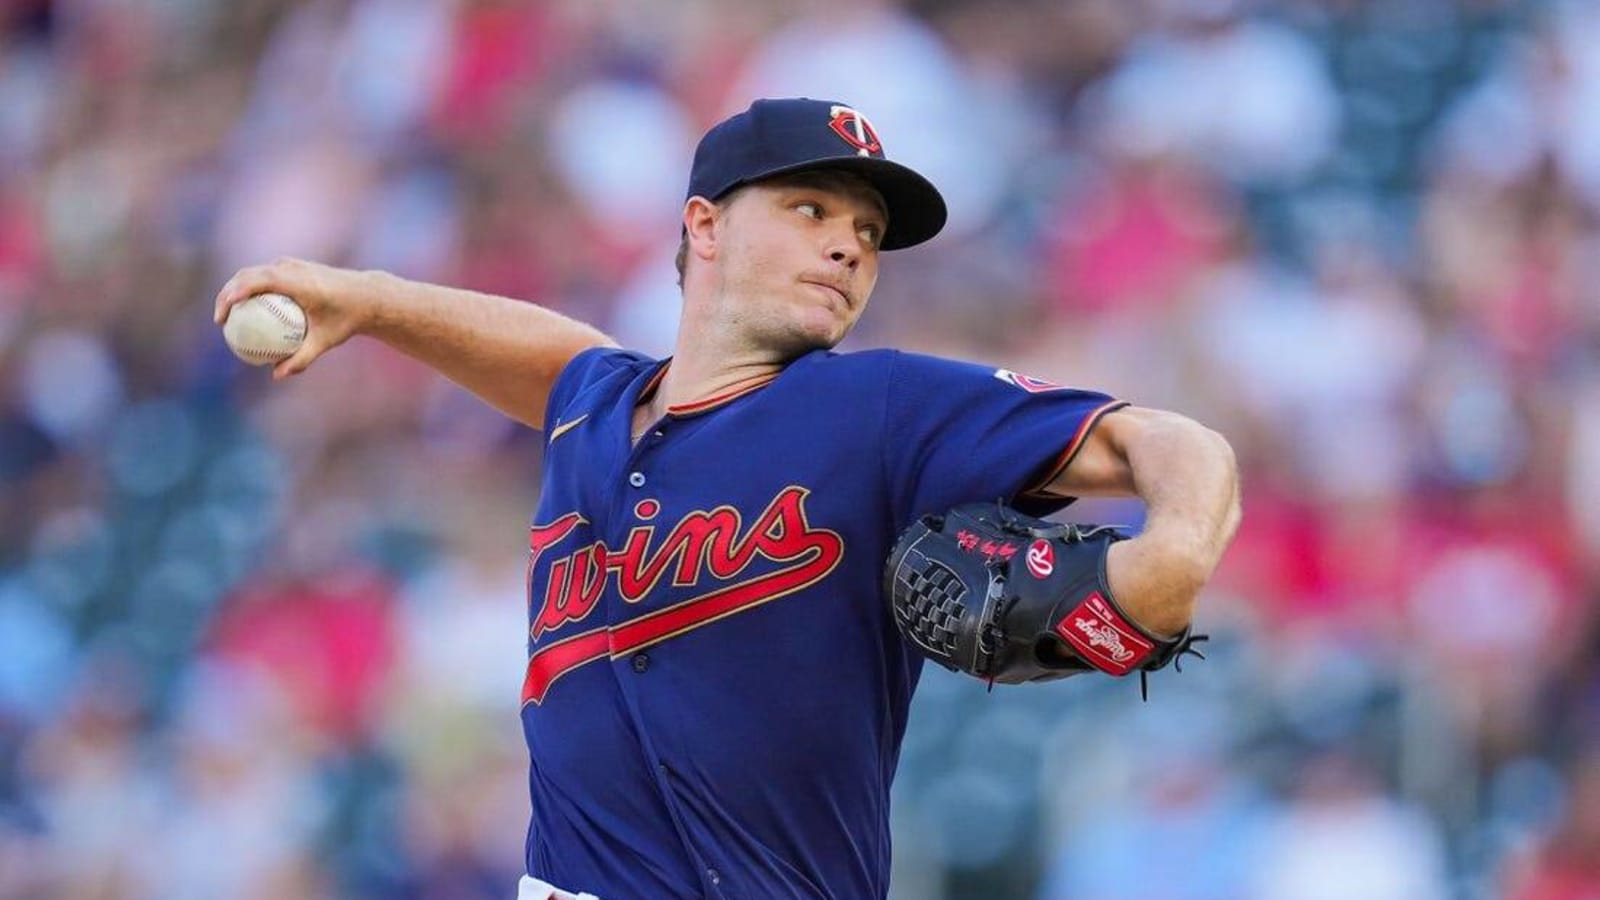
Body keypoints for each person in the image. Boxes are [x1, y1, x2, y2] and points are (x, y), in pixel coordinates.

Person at [215, 97, 1241, 900]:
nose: (848, 246)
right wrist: (372, 300)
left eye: (867, 231)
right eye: (811, 210)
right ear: (703, 224)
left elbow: (1166, 442)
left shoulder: (878, 404)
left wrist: (1173, 556)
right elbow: (560, 358)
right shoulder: (593, 409)